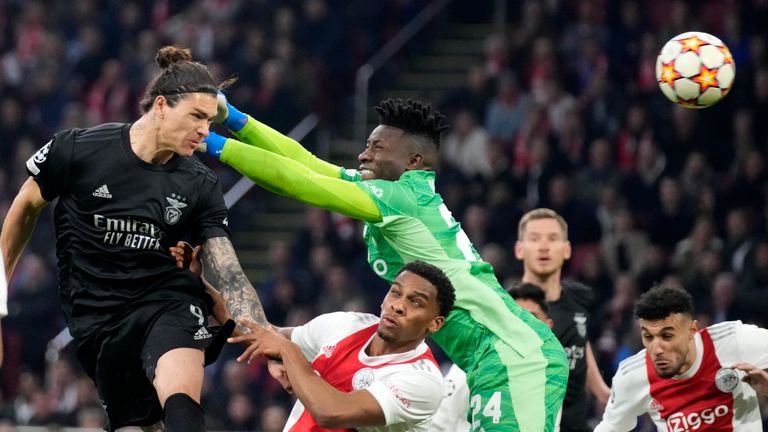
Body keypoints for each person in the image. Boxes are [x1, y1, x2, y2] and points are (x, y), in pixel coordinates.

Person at [198, 96, 568, 430]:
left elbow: (300, 183)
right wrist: (232, 118)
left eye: (377, 148)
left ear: (413, 161)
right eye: (366, 146)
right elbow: (306, 164)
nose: (363, 155)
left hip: (513, 354)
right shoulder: (403, 195)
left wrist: (209, 143)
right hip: (493, 357)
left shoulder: (400, 199)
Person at [0, 46, 266, 432]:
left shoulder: (200, 183)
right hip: (98, 319)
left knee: (181, 400)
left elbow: (228, 269)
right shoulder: (78, 149)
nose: (205, 131)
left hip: (167, 301)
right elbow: (24, 207)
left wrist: (264, 333)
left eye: (209, 120)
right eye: (196, 116)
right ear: (160, 105)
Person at [224, 260, 455, 431]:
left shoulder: (422, 381)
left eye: (415, 302)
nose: (398, 306)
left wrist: (286, 351)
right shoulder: (349, 324)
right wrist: (201, 288)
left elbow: (331, 412)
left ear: (435, 323)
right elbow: (266, 335)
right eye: (395, 292)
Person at [595, 285, 768, 431]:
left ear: (692, 330)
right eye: (648, 336)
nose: (656, 349)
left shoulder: (735, 341)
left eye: (667, 336)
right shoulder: (632, 376)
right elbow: (610, 427)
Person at [514, 208, 610, 431]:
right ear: (519, 249)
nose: (544, 246)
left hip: (576, 424)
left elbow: (580, 344)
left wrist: (601, 390)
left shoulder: (580, 297)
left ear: (567, 250)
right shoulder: (509, 308)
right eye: (534, 239)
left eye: (553, 238)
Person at [429, 282, 554, 432]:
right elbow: (438, 425)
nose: (524, 324)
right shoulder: (472, 367)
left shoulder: (551, 376)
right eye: (517, 317)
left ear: (547, 327)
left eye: (532, 318)